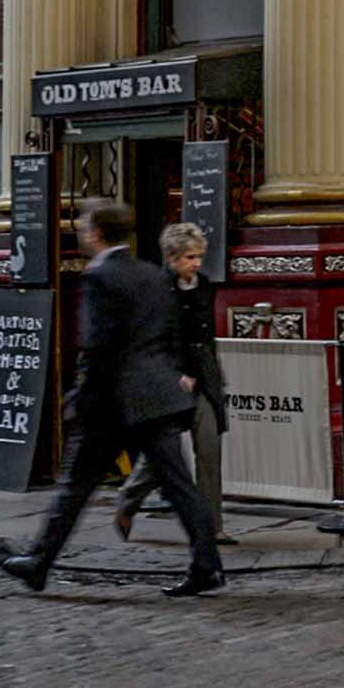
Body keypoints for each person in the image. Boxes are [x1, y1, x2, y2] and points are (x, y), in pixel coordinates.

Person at [0, 202, 224, 596]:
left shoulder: (100, 276)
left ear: (96, 233)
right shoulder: (153, 275)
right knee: (179, 486)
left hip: (113, 401)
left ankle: (39, 561)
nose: (84, 233)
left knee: (75, 486)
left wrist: (81, 399)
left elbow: (98, 347)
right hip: (158, 396)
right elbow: (172, 334)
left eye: (86, 227)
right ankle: (207, 565)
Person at [115, 222, 231, 545]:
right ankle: (128, 499)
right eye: (189, 257)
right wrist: (173, 373)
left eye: (198, 256)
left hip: (203, 381)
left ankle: (212, 527)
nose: (196, 263)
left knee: (209, 448)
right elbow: (150, 339)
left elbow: (204, 338)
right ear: (171, 258)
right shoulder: (155, 289)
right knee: (162, 459)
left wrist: (209, 376)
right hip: (170, 382)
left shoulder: (205, 286)